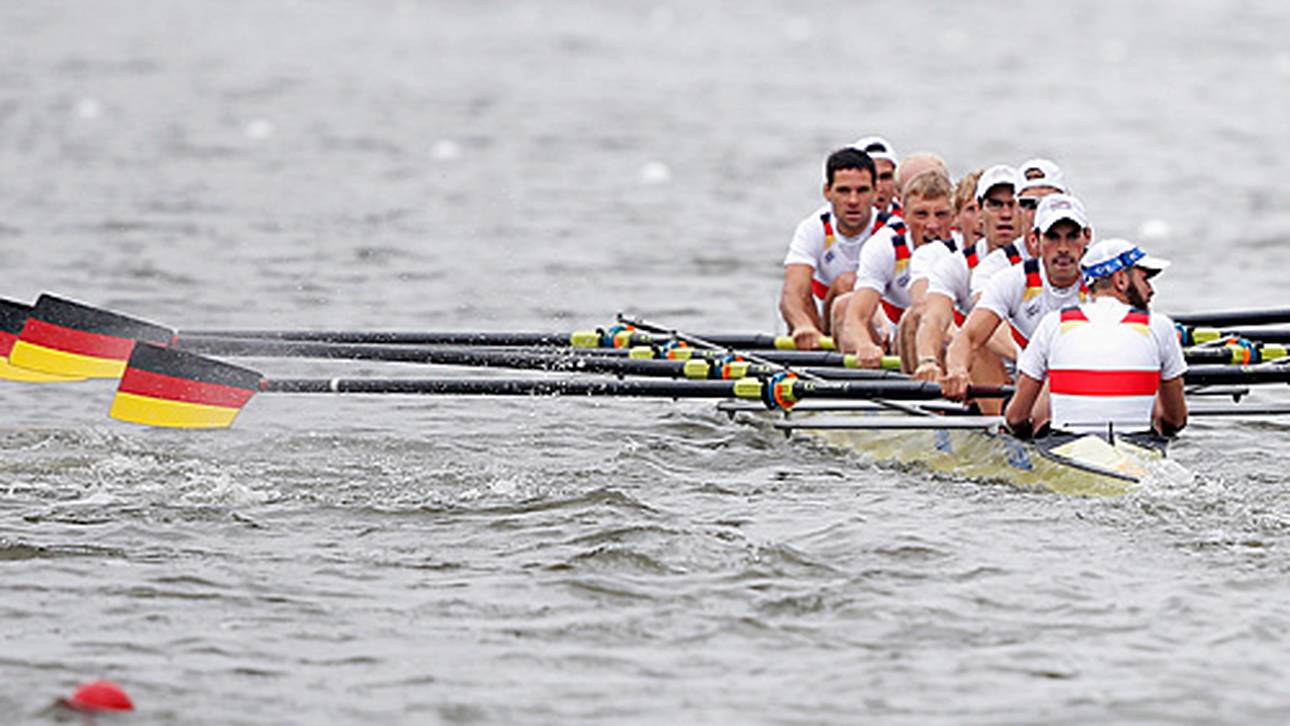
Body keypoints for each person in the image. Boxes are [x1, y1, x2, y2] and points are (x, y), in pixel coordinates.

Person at [1004, 238, 1187, 438]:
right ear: (1120, 280)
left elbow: (1015, 418)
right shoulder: (1159, 326)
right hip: (1137, 453)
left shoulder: (1054, 323)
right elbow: (1176, 420)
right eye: (1145, 279)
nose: (1151, 290)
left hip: (1064, 451)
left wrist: (1026, 437)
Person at [942, 193, 1093, 401]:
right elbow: (968, 337)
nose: (1063, 248)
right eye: (1053, 237)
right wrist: (958, 370)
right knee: (983, 343)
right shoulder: (1013, 280)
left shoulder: (1103, 283)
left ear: (1087, 237)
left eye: (1072, 236)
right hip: (1029, 391)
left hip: (1086, 386)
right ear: (1034, 240)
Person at [839, 170, 954, 367]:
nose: (932, 225)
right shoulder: (884, 246)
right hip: (895, 342)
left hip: (950, 340)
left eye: (941, 215)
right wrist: (865, 345)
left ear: (954, 216)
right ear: (904, 216)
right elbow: (855, 317)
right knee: (843, 306)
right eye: (921, 214)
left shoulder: (964, 247)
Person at [780, 147, 880, 350]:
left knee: (849, 285)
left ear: (875, 192)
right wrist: (803, 326)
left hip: (875, 329)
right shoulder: (813, 228)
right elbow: (792, 293)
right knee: (842, 286)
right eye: (843, 191)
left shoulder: (892, 231)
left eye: (862, 191)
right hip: (823, 329)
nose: (853, 201)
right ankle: (815, 344)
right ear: (827, 192)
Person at [852, 135, 900, 216]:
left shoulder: (911, 222)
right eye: (870, 177)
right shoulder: (826, 223)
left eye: (885, 177)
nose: (879, 187)